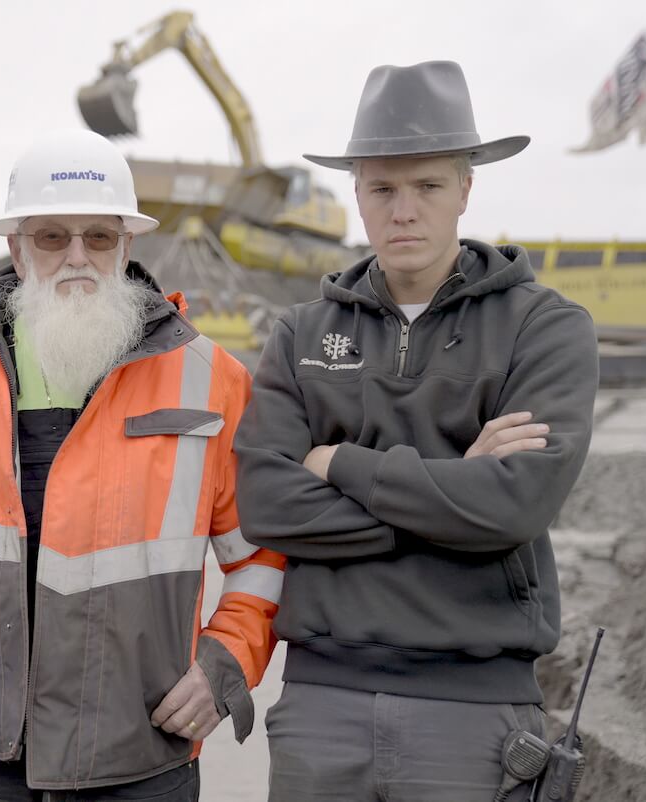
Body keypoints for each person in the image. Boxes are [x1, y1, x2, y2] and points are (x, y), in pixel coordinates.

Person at [234, 61, 599, 802]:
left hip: (475, 715)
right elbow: (267, 506)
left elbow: (513, 507)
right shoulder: (301, 332)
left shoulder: (544, 326)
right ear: (358, 196)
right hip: (318, 708)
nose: (404, 210)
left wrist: (338, 463)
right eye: (383, 189)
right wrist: (455, 488)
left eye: (428, 186)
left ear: (465, 188)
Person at [0, 129, 286, 801]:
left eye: (99, 237)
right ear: (16, 246)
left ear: (128, 245)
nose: (78, 256)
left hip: (138, 751)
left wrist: (225, 666)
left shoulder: (211, 380)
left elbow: (263, 556)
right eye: (51, 237)